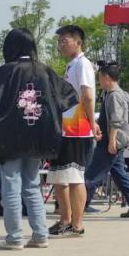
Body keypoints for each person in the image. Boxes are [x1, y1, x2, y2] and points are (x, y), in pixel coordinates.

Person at [0, 29, 79, 250]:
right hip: (39, 137)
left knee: (11, 184)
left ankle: (15, 237)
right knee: (32, 184)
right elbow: (69, 96)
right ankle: (40, 235)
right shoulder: (45, 71)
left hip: (9, 137)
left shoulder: (6, 71)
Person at [47, 25, 101, 237]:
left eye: (65, 40)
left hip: (77, 129)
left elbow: (87, 95)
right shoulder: (71, 65)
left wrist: (92, 122)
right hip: (64, 128)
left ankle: (77, 224)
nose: (61, 44)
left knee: (74, 177)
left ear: (78, 42)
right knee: (60, 177)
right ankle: (65, 219)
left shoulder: (83, 64)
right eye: (59, 40)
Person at [83, 61, 129, 218]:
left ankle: (81, 204)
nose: (99, 81)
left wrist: (112, 140)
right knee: (119, 175)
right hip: (114, 141)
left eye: (100, 78)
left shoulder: (114, 95)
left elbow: (116, 120)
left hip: (110, 142)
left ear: (107, 78)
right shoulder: (113, 94)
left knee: (92, 174)